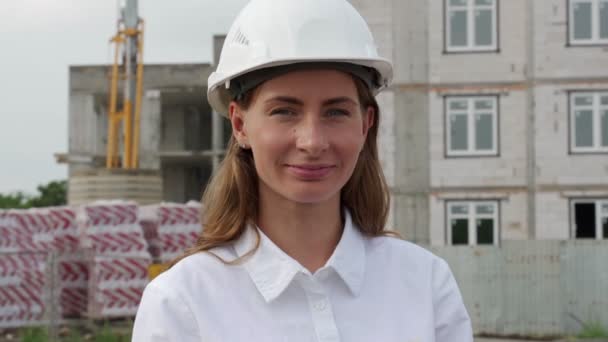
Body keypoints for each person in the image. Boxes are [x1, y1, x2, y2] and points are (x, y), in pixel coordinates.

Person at [131, 0, 473, 341]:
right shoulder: (182, 302)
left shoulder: (425, 285)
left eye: (336, 112)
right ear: (239, 125)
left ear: (365, 124)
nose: (312, 141)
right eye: (284, 111)